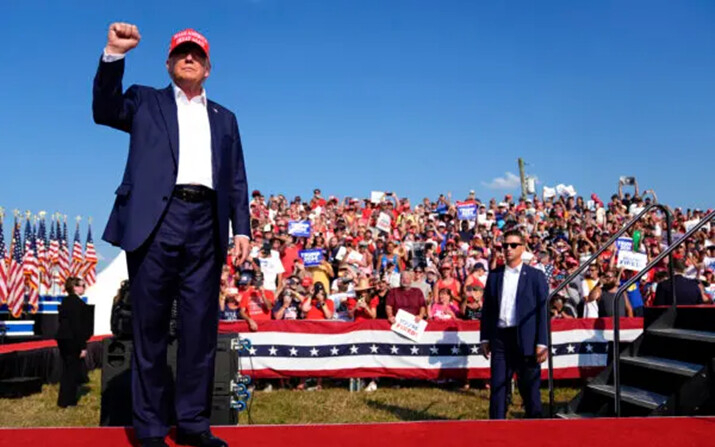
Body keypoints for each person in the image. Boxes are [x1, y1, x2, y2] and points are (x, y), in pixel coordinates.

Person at [93, 24, 250, 447]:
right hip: (155, 222)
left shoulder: (225, 118)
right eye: (181, 52)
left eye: (196, 54)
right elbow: (105, 109)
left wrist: (243, 228)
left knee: (200, 330)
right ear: (168, 63)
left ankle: (194, 424)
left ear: (208, 68)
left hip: (207, 224)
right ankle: (149, 429)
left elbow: (236, 178)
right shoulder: (146, 101)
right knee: (151, 329)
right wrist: (113, 55)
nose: (188, 58)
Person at [480, 230, 549, 419]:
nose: (508, 249)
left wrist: (542, 342)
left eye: (513, 245)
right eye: (504, 246)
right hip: (501, 338)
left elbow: (543, 311)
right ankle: (497, 426)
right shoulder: (494, 275)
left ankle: (534, 426)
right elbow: (487, 310)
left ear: (523, 247)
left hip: (526, 337)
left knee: (529, 387)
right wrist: (485, 337)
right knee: (498, 385)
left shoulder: (535, 276)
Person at [55, 277, 90, 408]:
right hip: (72, 339)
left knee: (66, 368)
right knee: (72, 370)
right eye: (82, 285)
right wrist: (83, 346)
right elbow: (78, 327)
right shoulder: (78, 304)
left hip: (62, 338)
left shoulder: (65, 302)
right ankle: (69, 400)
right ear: (74, 287)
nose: (83, 288)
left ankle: (63, 399)